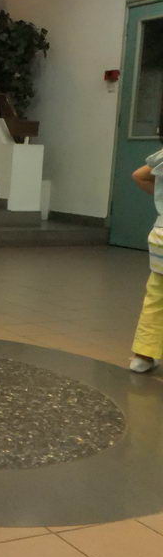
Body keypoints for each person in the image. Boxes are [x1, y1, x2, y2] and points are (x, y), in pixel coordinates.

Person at [129, 126, 163, 373]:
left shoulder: (161, 156)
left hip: (161, 234)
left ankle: (143, 356)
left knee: (156, 296)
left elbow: (139, 175)